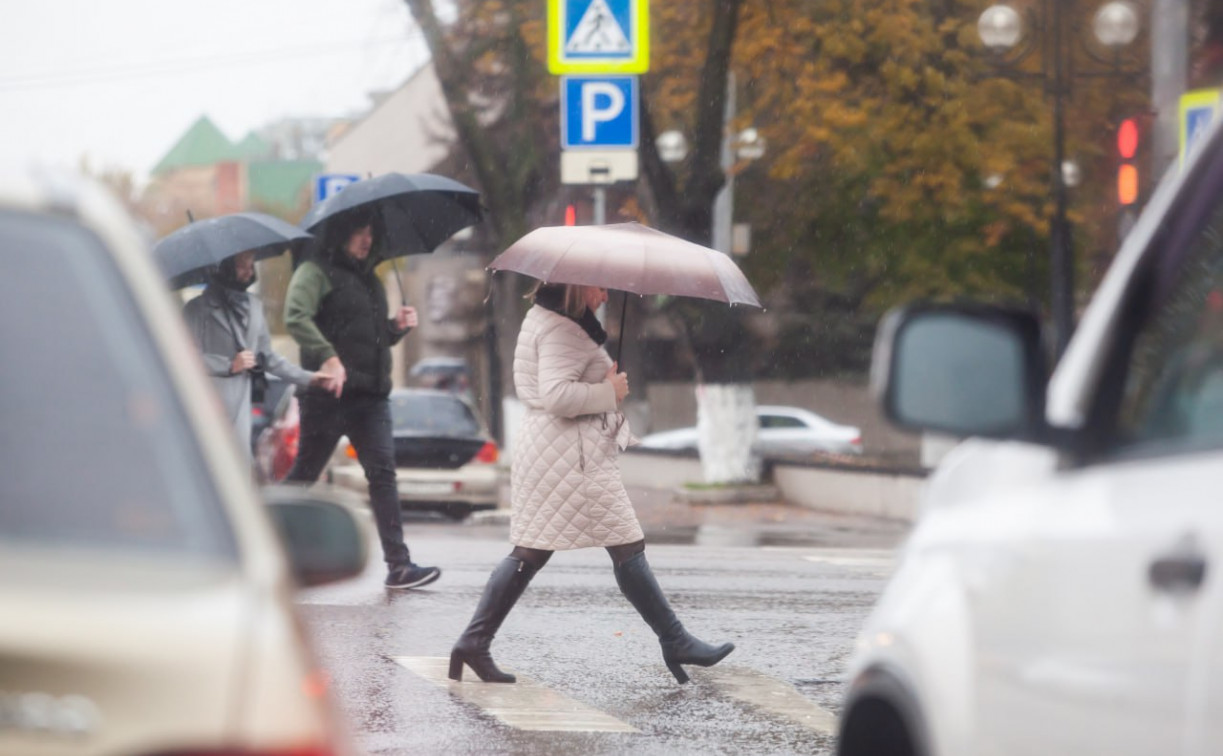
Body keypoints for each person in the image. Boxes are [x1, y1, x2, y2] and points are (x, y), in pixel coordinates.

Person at [448, 282, 734, 685]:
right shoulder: (563, 329)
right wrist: (608, 391)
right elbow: (557, 396)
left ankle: (473, 642)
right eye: (599, 288)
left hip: (555, 449)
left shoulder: (549, 319)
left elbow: (557, 385)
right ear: (577, 286)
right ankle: (675, 640)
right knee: (622, 543)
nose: (604, 297)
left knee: (533, 549)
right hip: (570, 454)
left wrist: (601, 378)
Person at [282, 209, 441, 590]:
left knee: (383, 475)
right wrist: (328, 357)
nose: (366, 239)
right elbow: (295, 316)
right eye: (359, 231)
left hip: (370, 398)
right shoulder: (315, 271)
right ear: (340, 233)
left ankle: (399, 566)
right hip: (327, 395)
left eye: (370, 232)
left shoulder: (369, 278)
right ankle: (264, 550)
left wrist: (394, 328)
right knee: (303, 477)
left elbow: (368, 338)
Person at [183, 249, 333, 457]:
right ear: (224, 268)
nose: (248, 271)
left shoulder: (254, 306)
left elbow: (268, 357)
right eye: (241, 265)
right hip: (208, 410)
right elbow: (182, 359)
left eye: (250, 264)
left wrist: (309, 378)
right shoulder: (196, 309)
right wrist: (228, 364)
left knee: (239, 475)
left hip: (241, 412)